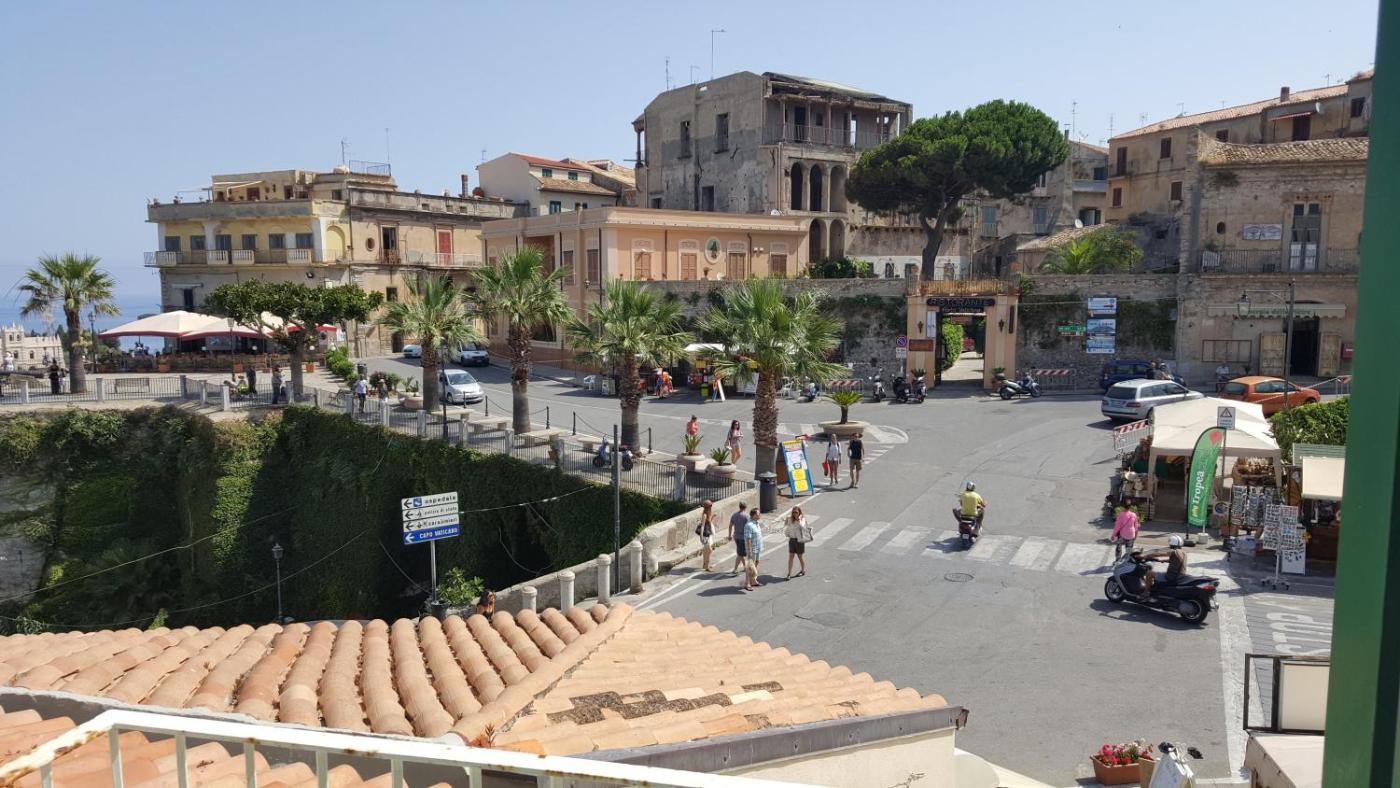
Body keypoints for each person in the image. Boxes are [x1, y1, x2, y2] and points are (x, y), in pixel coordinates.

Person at [784, 506, 810, 579]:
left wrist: (799, 519)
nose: (795, 514)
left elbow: (803, 527)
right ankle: (789, 574)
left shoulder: (802, 520)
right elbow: (786, 526)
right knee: (791, 557)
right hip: (792, 540)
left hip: (799, 541)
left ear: (799, 513)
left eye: (796, 512)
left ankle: (803, 570)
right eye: (793, 512)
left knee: (800, 557)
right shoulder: (790, 519)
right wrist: (786, 520)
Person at [743, 508, 764, 589]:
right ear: (754, 515)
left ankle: (753, 580)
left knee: (756, 562)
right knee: (750, 567)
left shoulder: (756, 523)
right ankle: (747, 583)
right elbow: (748, 539)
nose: (760, 515)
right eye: (758, 514)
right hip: (752, 549)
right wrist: (749, 551)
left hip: (758, 547)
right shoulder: (749, 525)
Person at [729, 502, 750, 576]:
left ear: (739, 507)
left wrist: (729, 535)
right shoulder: (747, 516)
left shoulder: (734, 515)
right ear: (745, 507)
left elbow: (730, 526)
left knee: (740, 552)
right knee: (740, 554)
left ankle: (745, 567)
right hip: (743, 537)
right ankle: (735, 569)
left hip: (736, 537)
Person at [696, 499, 717, 571]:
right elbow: (702, 526)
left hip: (708, 534)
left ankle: (705, 565)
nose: (711, 507)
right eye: (710, 506)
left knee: (706, 550)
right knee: (709, 550)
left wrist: (712, 517)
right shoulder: (704, 515)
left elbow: (709, 523)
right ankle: (706, 566)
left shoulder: (708, 513)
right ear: (708, 507)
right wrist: (701, 536)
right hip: (705, 535)